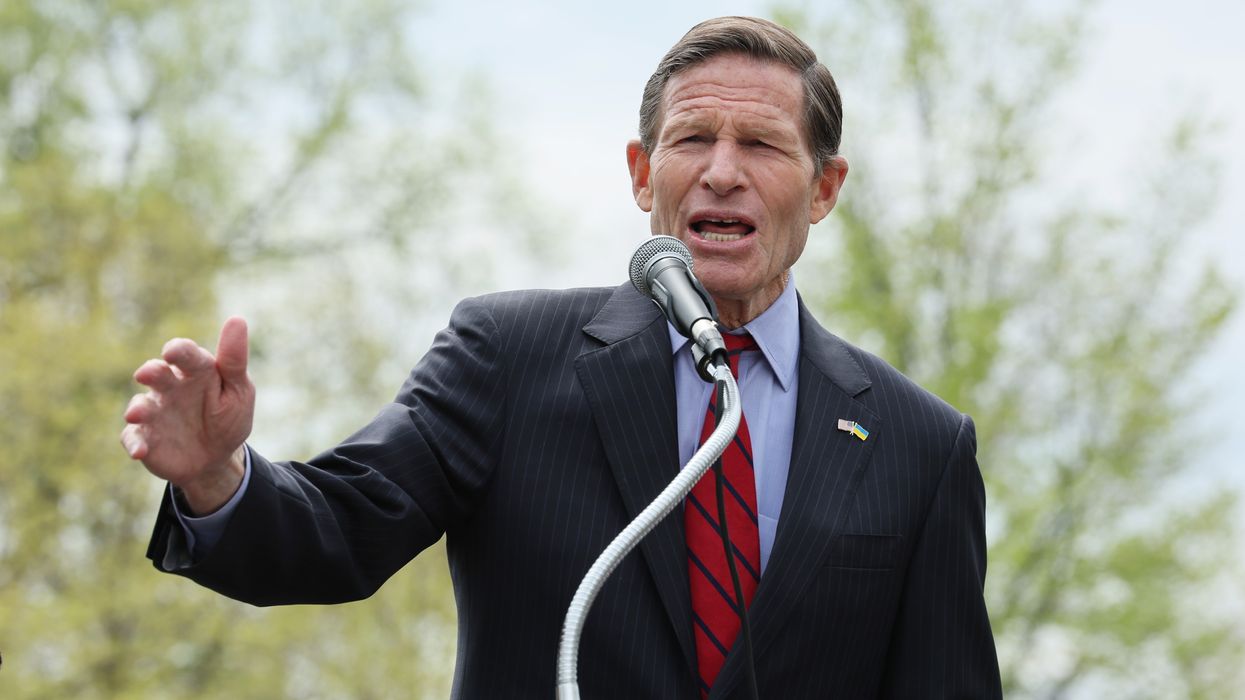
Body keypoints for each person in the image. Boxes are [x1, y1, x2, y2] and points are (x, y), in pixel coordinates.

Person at [122, 16, 1002, 699]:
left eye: (762, 146)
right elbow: (336, 535)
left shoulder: (916, 445)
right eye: (692, 140)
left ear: (822, 189)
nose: (722, 173)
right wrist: (218, 476)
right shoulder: (507, 357)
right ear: (639, 172)